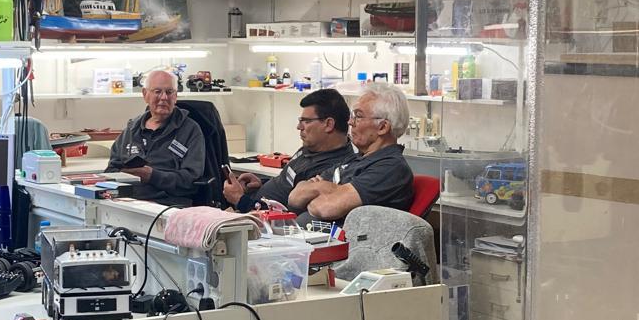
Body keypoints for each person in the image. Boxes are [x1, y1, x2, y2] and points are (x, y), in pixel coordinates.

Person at [289, 84, 414, 222]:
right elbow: (295, 197)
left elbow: (324, 208)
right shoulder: (354, 159)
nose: (350, 122)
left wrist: (321, 187)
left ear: (382, 127)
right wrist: (334, 189)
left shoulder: (391, 168)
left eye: (358, 116)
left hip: (338, 236)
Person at [223, 88, 354, 213]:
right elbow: (286, 184)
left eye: (306, 121)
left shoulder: (331, 171)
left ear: (329, 124)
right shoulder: (311, 148)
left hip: (259, 220)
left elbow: (288, 215)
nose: (299, 127)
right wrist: (260, 183)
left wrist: (240, 200)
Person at [106, 68, 208, 207]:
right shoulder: (132, 129)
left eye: (169, 92)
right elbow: (111, 171)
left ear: (175, 96)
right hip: (129, 202)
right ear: (145, 94)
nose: (164, 97)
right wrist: (127, 174)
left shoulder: (190, 130)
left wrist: (152, 176)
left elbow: (191, 180)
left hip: (169, 205)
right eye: (157, 91)